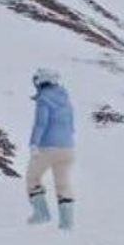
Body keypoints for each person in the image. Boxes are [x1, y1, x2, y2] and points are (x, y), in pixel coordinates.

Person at [26, 68, 76, 230]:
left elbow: (41, 124)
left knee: (32, 178)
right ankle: (67, 222)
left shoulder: (44, 99)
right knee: (63, 184)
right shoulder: (66, 99)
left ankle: (41, 214)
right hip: (68, 147)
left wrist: (34, 143)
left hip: (48, 147)